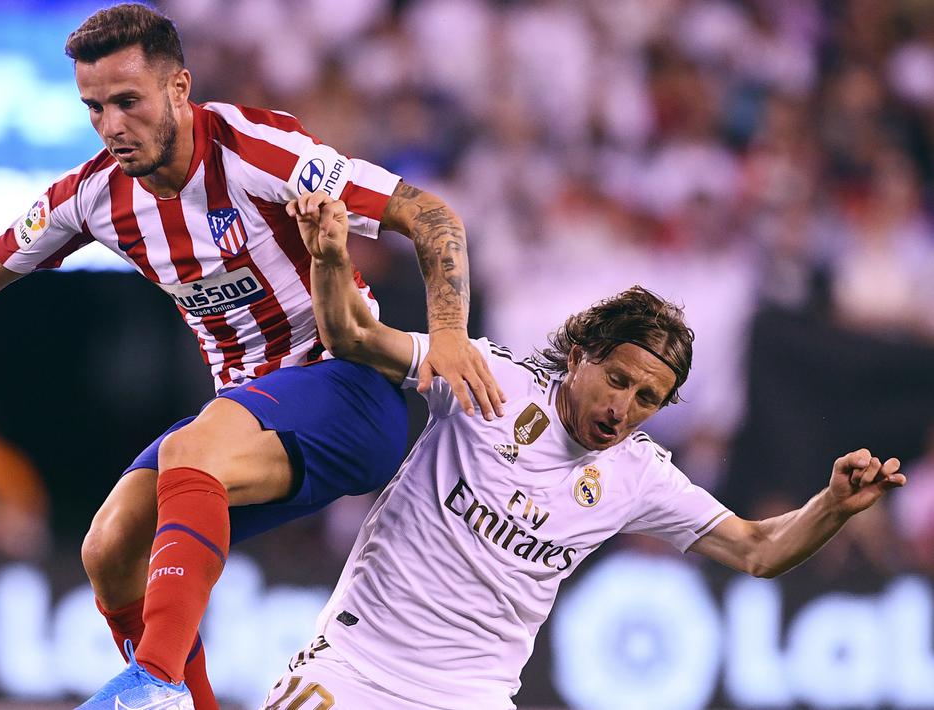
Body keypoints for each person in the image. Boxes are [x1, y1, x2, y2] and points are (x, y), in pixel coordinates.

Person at [0, 5, 507, 710]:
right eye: (93, 107)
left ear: (179, 87)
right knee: (110, 547)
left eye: (128, 100)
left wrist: (446, 331)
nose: (111, 125)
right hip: (254, 417)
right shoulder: (94, 196)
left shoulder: (256, 151)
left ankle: (152, 681)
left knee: (191, 451)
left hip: (349, 392)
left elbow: (427, 212)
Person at [260, 192, 909, 709]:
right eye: (617, 380)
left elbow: (756, 550)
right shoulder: (486, 379)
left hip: (472, 698)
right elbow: (350, 336)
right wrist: (328, 257)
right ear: (577, 357)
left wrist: (831, 505)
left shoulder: (638, 475)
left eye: (647, 399)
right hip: (354, 670)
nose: (622, 408)